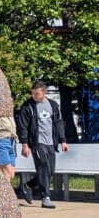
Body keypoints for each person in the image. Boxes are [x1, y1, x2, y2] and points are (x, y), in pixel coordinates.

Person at [15, 80, 69, 209]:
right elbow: (22, 126)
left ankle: (27, 186)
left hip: (51, 143)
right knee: (43, 168)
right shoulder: (28, 106)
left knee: (50, 171)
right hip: (37, 143)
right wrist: (24, 144)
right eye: (32, 93)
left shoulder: (53, 105)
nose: (34, 96)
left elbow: (59, 123)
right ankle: (46, 197)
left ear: (44, 92)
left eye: (37, 93)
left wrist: (63, 140)